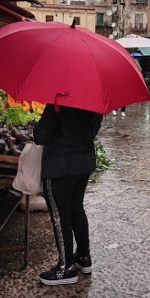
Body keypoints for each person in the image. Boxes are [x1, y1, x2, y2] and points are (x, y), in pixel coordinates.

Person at [33, 103, 103, 286]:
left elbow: (40, 136)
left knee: (60, 216)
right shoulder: (95, 104)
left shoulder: (58, 104)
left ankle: (66, 268)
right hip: (83, 164)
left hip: (59, 167)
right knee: (76, 209)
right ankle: (83, 256)